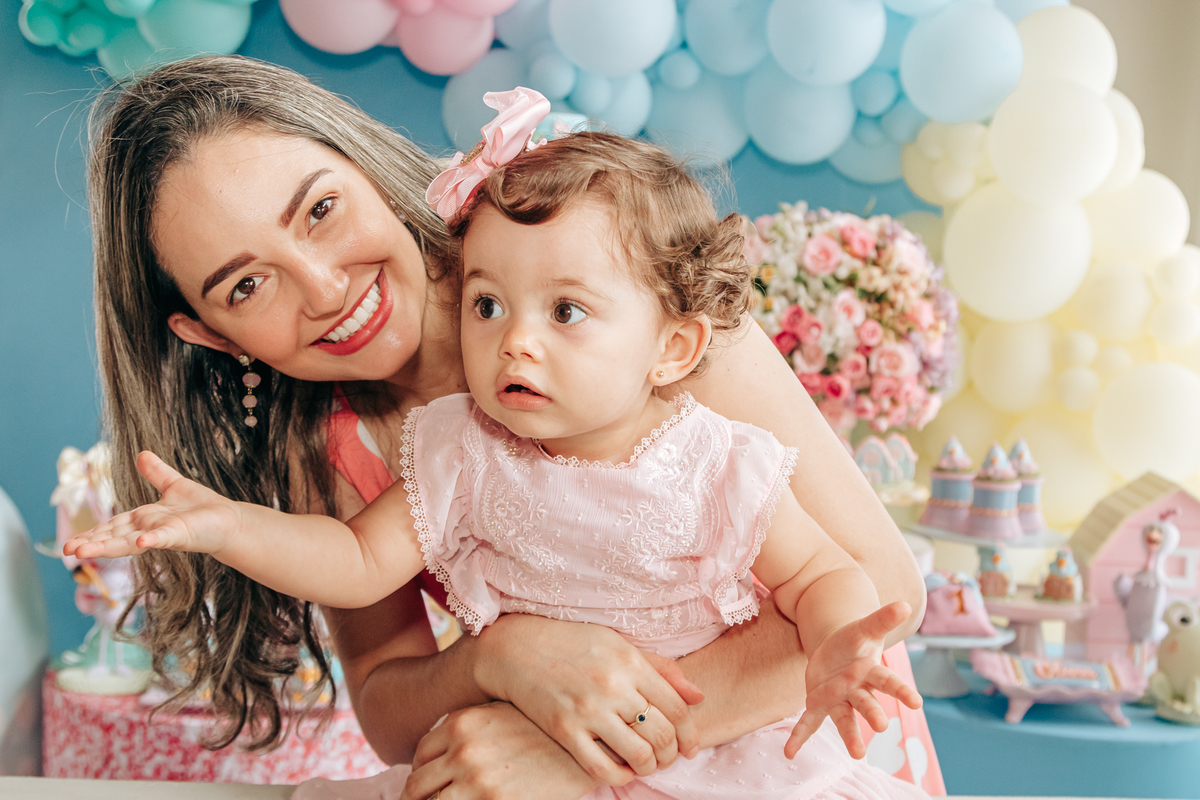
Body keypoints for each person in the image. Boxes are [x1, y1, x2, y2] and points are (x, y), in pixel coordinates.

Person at [85, 55, 928, 799]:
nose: (324, 288)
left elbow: (881, 586)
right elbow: (386, 704)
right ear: (210, 335)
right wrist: (496, 657)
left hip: (788, 745)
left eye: (320, 210)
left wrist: (598, 754)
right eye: (245, 287)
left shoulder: (603, 268)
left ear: (363, 164)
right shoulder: (336, 445)